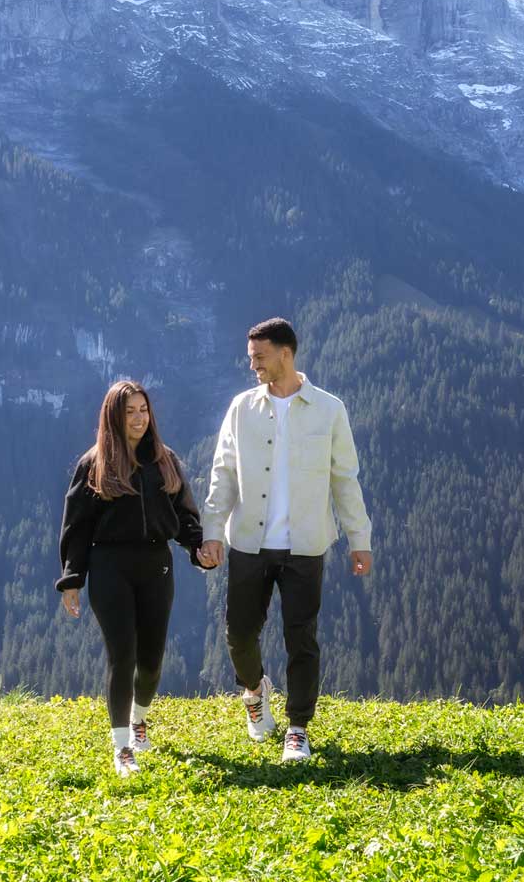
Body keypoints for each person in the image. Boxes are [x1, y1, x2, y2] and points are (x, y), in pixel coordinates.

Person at [197, 317, 372, 763]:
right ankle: (255, 691)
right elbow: (223, 473)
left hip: (306, 545)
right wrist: (212, 532)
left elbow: (344, 479)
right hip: (249, 543)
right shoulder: (241, 408)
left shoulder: (330, 410)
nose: (252, 364)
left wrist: (359, 538)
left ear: (285, 354)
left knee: (302, 638)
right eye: (251, 357)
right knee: (239, 634)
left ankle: (298, 728)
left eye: (259, 356)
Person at [57, 379, 214, 776]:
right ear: (114, 416)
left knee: (151, 661)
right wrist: (72, 579)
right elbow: (76, 527)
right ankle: (122, 747)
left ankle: (139, 718)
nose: (139, 419)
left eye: (144, 410)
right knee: (121, 655)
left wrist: (199, 549)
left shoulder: (165, 461)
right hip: (109, 566)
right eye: (130, 412)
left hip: (156, 565)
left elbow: (184, 516)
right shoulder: (93, 464)